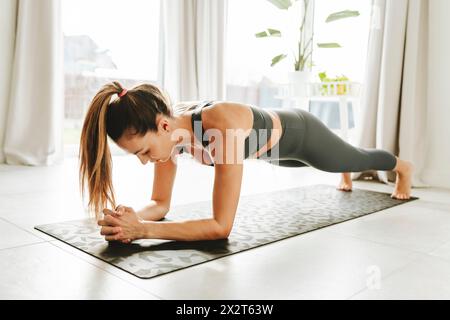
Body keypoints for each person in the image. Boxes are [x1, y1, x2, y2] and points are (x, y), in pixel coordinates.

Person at [79, 81, 413, 243]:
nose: (144, 162)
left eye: (143, 152)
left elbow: (221, 227)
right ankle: (345, 168)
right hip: (276, 156)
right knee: (337, 161)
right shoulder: (169, 134)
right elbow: (160, 202)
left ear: (163, 127)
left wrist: (144, 231)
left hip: (301, 134)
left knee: (353, 158)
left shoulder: (219, 126)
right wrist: (134, 216)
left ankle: (402, 168)